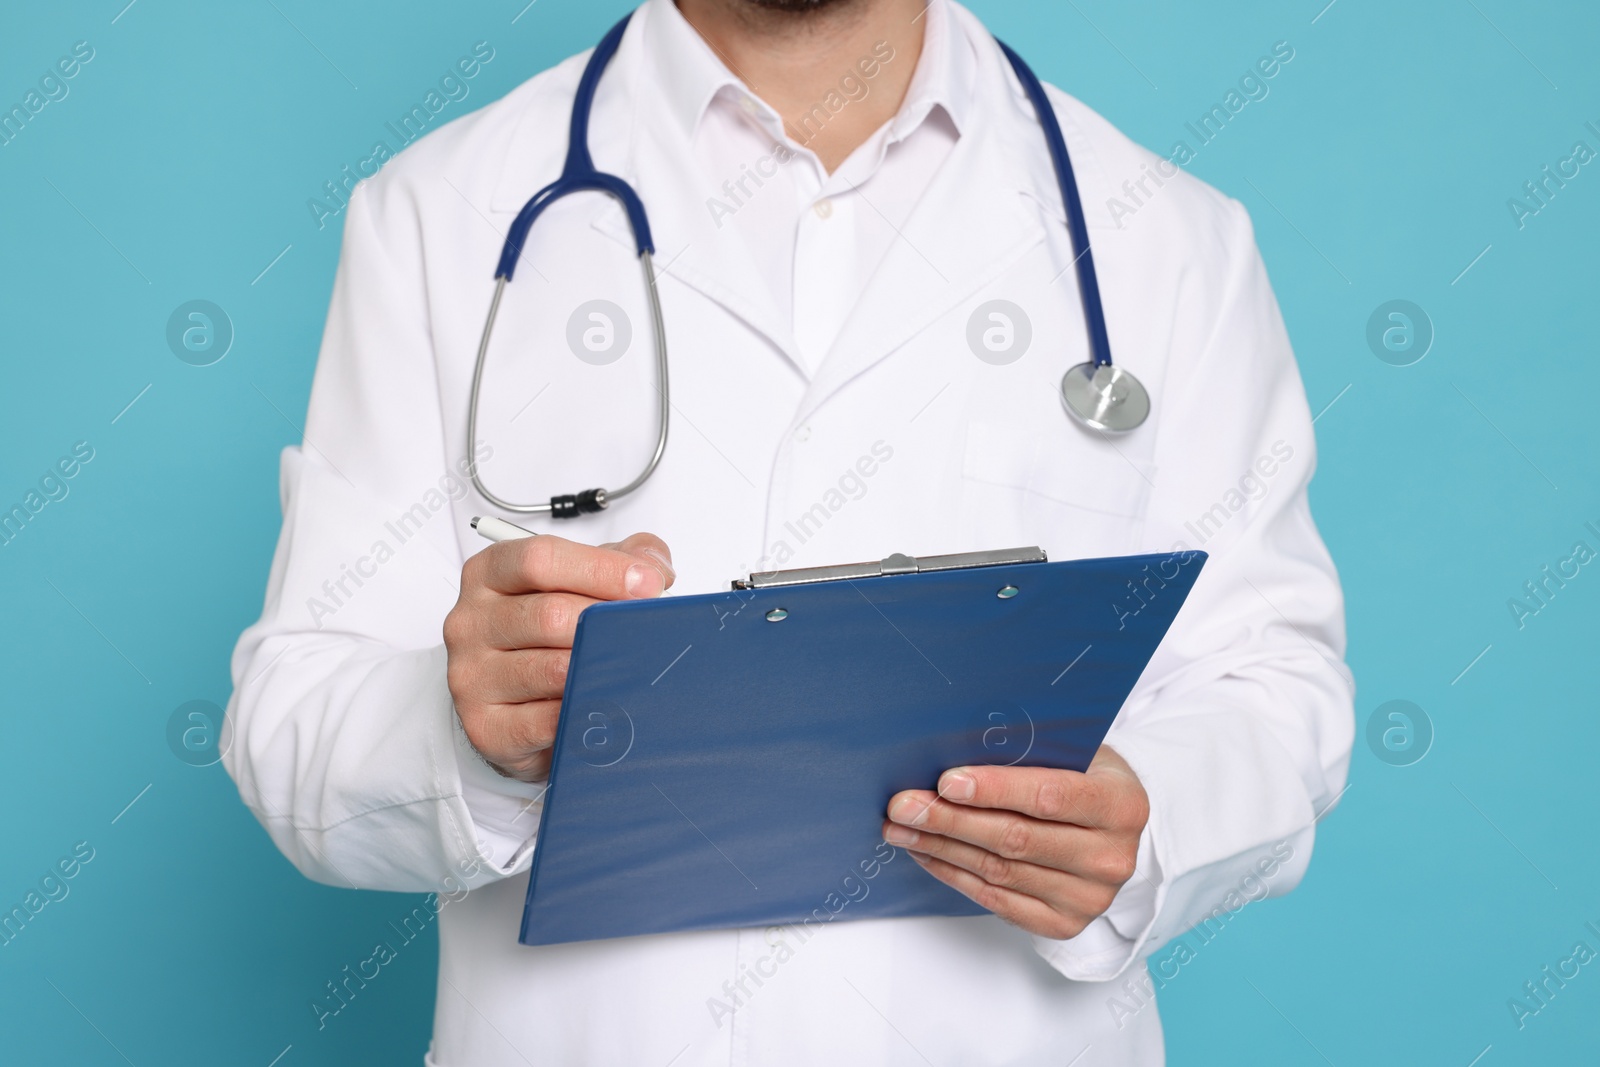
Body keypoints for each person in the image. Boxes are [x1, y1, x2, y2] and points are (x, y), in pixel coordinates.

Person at [225, 0, 1353, 1062]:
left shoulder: (1168, 239)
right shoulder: (438, 212)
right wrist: (464, 729)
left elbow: (1277, 687)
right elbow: (293, 724)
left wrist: (1143, 826)